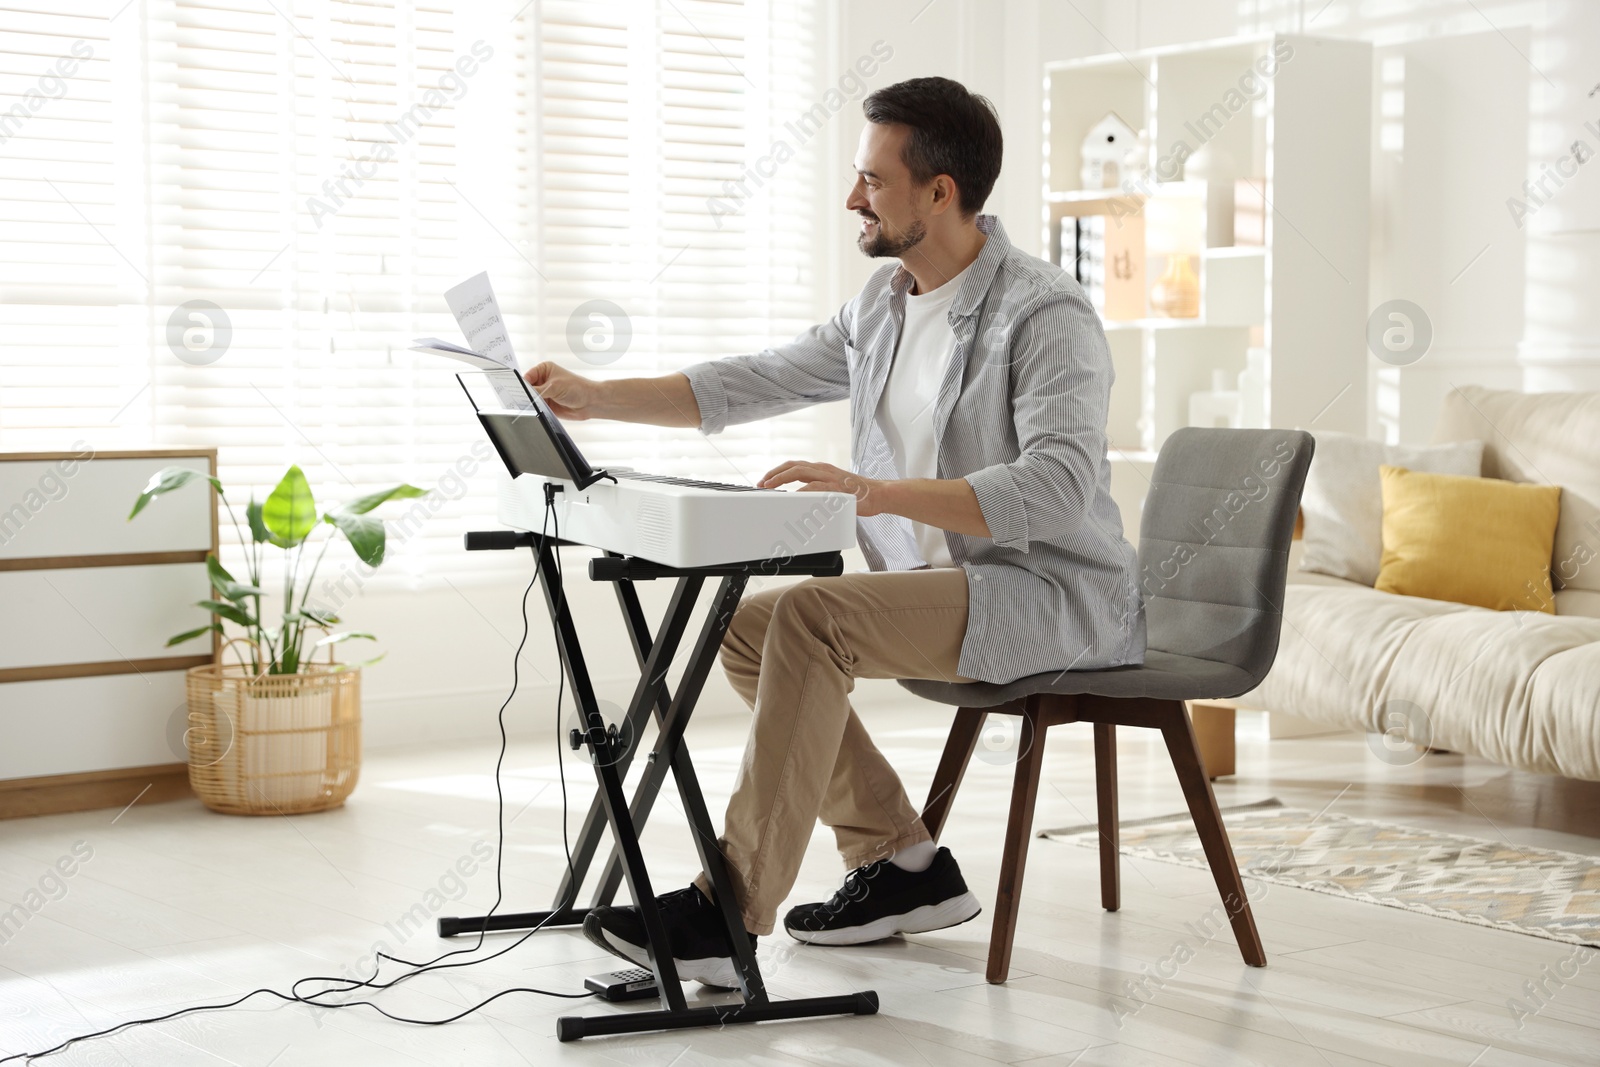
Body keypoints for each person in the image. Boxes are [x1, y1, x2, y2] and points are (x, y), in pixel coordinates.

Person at [522, 76, 1145, 988]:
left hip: (1052, 592)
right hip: (951, 586)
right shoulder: (884, 306)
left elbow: (1053, 490)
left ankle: (725, 913)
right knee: (745, 624)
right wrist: (596, 395)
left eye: (872, 180)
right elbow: (752, 380)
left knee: (812, 617)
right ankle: (901, 864)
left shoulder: (1043, 313)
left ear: (940, 191)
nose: (853, 198)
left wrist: (876, 491)